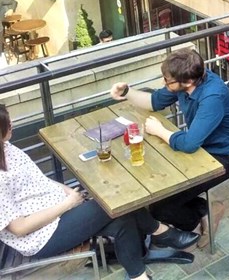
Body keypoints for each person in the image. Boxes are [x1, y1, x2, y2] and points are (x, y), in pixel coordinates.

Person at [0, 105, 198, 280]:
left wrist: (68, 193)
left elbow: (35, 181)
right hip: (41, 236)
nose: (13, 124)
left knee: (122, 220)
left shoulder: (6, 148)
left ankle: (139, 272)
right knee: (114, 201)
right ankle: (160, 232)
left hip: (58, 209)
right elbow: (20, 228)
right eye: (9, 124)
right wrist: (68, 203)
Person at [109, 48, 229, 247]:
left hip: (223, 158)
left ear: (188, 81)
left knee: (159, 208)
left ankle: (200, 216)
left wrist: (160, 131)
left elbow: (189, 144)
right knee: (156, 188)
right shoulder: (185, 84)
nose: (165, 84)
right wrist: (127, 92)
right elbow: (154, 101)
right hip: (202, 149)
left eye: (168, 81)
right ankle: (203, 208)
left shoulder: (212, 96)